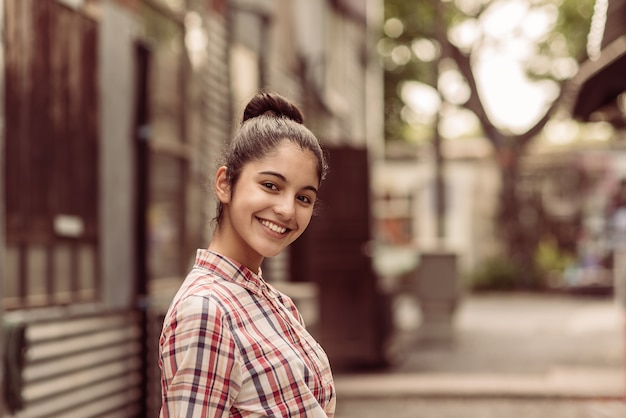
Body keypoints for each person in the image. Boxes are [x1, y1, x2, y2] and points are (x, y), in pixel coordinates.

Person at [159, 91, 336, 417]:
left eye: (304, 198)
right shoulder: (207, 310)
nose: (286, 210)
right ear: (225, 184)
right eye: (271, 185)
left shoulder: (278, 304)